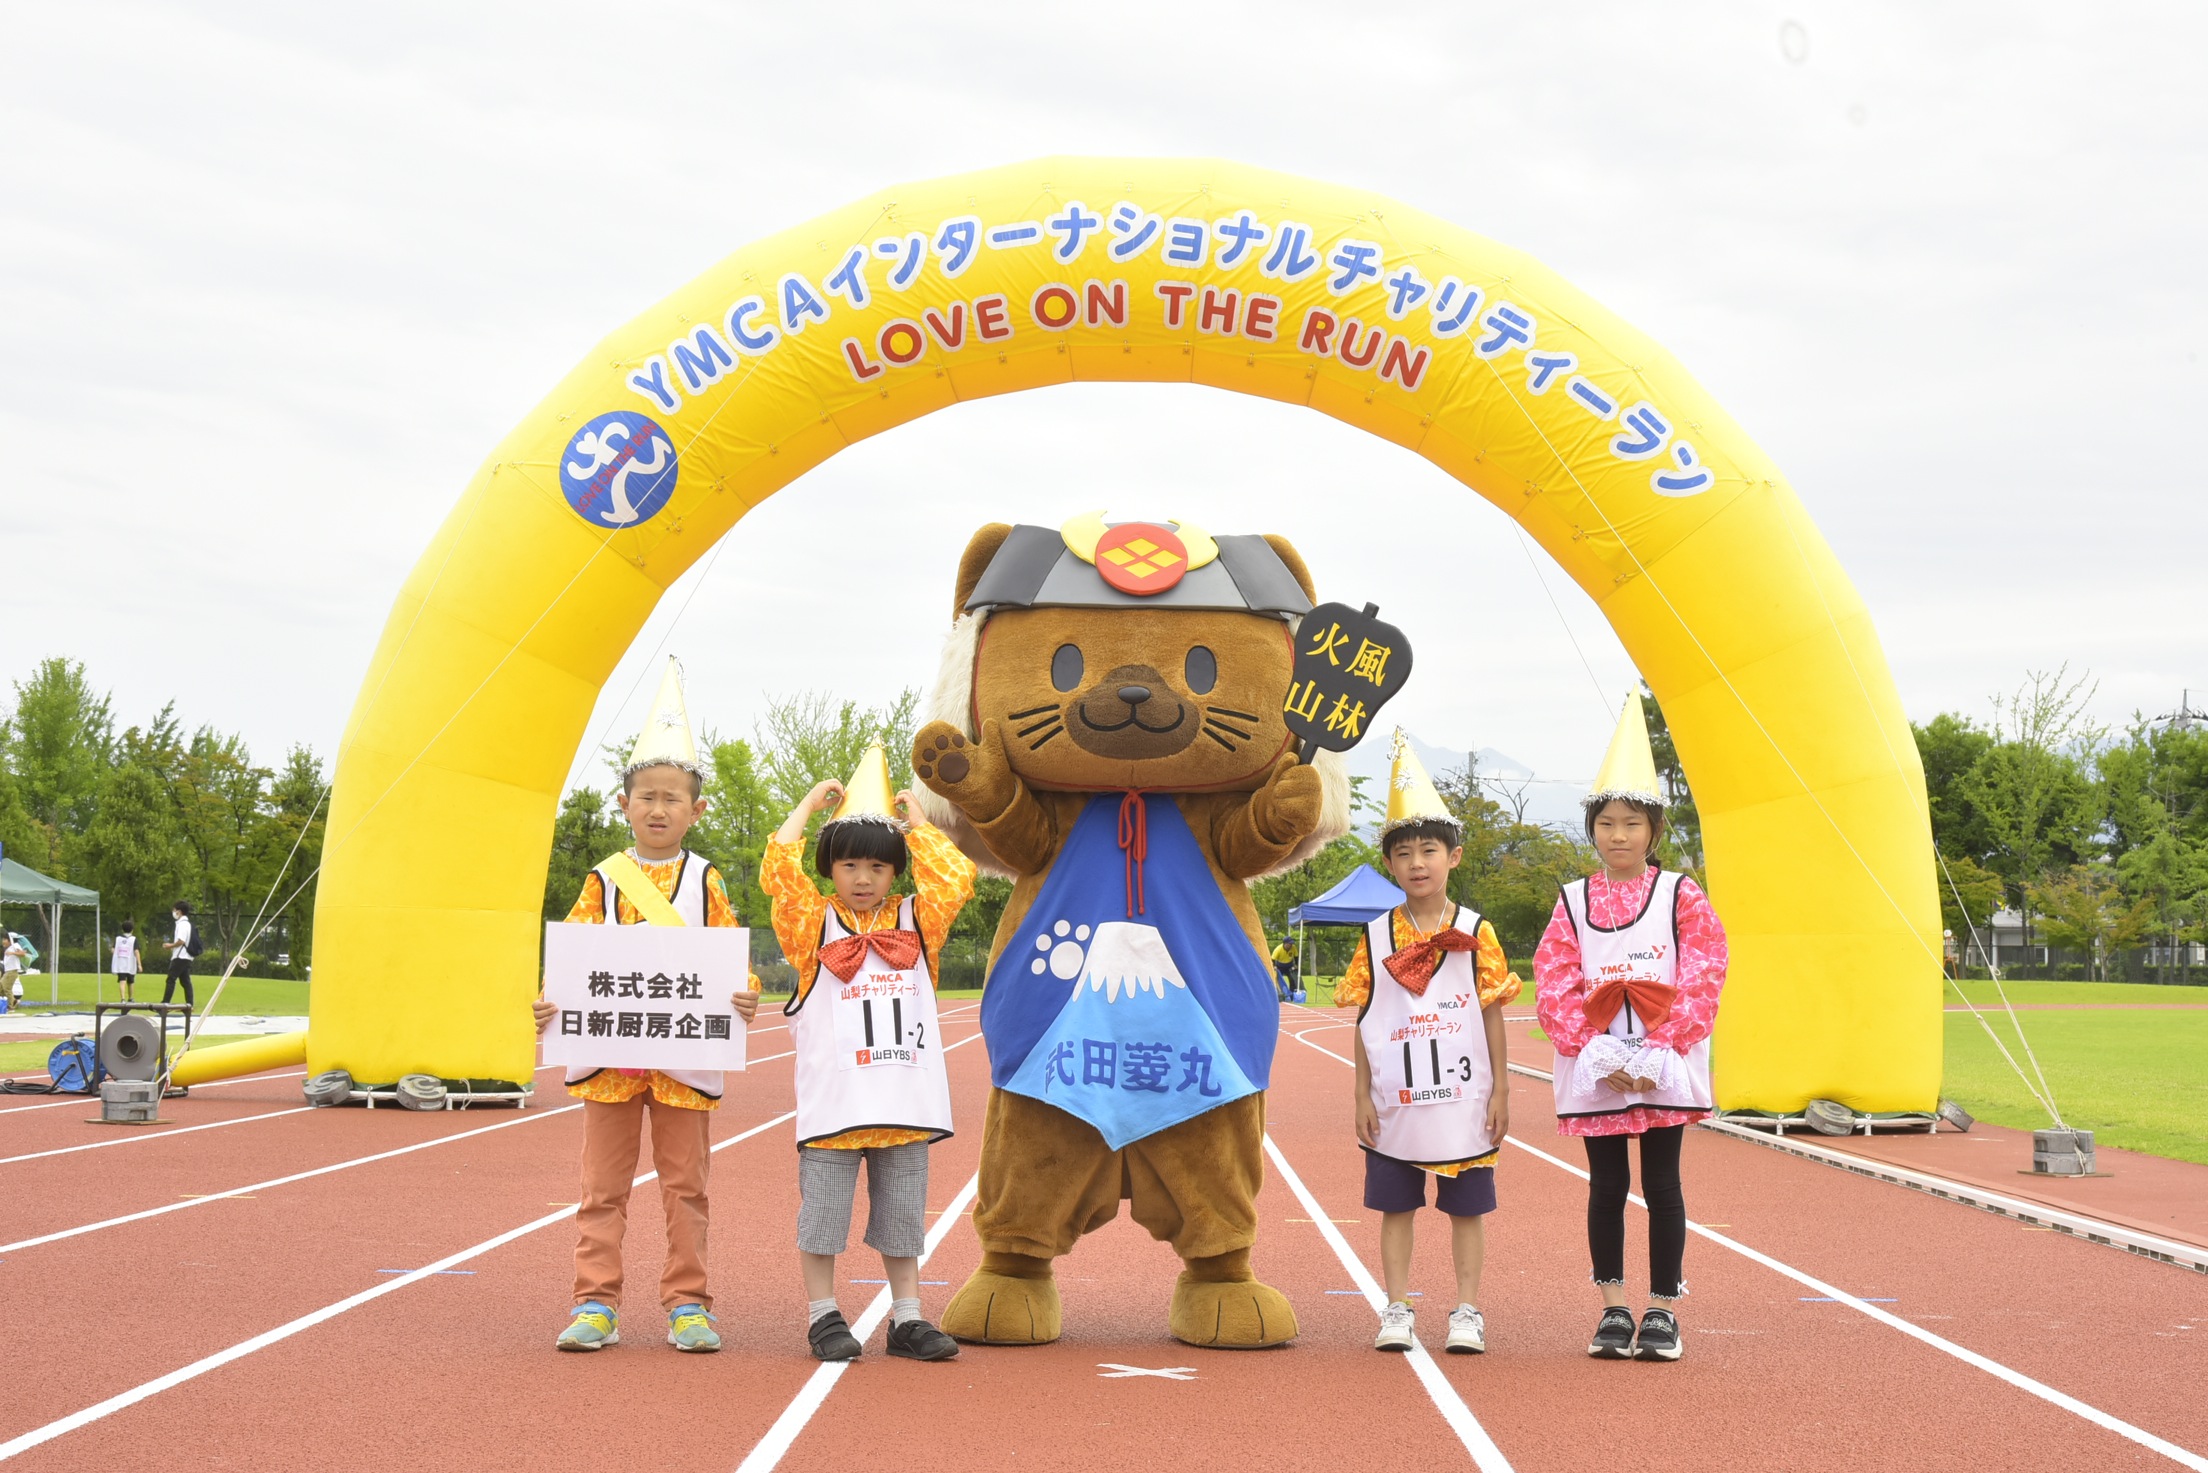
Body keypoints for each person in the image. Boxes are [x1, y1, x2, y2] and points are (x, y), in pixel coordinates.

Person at [530, 660, 761, 1355]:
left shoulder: (706, 879)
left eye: (672, 798)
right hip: (610, 1060)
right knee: (601, 1187)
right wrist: (549, 1002)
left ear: (696, 810)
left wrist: (744, 991)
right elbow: (572, 960)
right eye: (647, 797)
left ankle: (688, 1303)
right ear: (624, 804)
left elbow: (728, 952)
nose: (659, 809)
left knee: (686, 1187)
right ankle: (594, 1302)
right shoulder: (603, 879)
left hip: (683, 1060)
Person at [762, 742, 973, 1363]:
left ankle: (907, 1318)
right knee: (824, 1216)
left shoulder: (918, 921)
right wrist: (807, 808)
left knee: (903, 1217)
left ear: (894, 872)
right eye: (850, 864)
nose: (862, 878)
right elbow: (779, 875)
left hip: (904, 1107)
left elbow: (956, 879)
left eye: (877, 867)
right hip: (835, 1108)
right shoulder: (811, 926)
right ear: (831, 867)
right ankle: (823, 1315)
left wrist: (919, 827)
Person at [1535, 694, 1727, 1363]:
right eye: (1607, 823)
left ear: (1653, 829)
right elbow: (1554, 978)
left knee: (1664, 1184)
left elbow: (1705, 969)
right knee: (1606, 1185)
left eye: (1632, 823)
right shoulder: (1571, 901)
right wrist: (1594, 1051)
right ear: (1592, 829)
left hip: (1663, 1061)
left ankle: (1664, 1308)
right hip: (1598, 1066)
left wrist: (1657, 1049)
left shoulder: (1681, 894)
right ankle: (1613, 1306)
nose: (1618, 835)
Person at [1337, 734, 1516, 1355]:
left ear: (1453, 856)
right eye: (1404, 853)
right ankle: (1397, 1306)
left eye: (1429, 850)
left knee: (1468, 1207)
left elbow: (1492, 1012)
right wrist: (1360, 1093)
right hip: (1397, 1097)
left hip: (1465, 1096)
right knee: (1396, 1205)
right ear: (1390, 864)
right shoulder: (1373, 935)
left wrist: (1502, 1089)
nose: (1418, 863)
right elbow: (1364, 1018)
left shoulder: (1476, 931)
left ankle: (1467, 1309)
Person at [161, 902, 197, 1022]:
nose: (173, 912)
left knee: (171, 979)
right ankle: (189, 1006)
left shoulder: (182, 924)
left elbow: (181, 941)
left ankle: (165, 1004)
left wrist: (170, 946)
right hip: (186, 956)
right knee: (185, 981)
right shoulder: (187, 924)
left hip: (180, 956)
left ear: (179, 911)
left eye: (174, 910)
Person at [113, 921, 141, 1003]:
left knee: (122, 981)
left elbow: (113, 949)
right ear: (132, 929)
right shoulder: (134, 939)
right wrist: (139, 964)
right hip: (130, 964)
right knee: (131, 981)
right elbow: (136, 951)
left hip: (121, 964)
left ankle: (123, 998)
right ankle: (131, 998)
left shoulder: (118, 939)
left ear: (122, 929)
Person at [1270, 936, 1300, 1002]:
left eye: (1291, 943)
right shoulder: (1278, 949)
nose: (1291, 945)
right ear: (1285, 943)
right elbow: (1272, 959)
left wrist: (1296, 965)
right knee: (1278, 980)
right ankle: (1280, 994)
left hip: (1289, 965)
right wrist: (1274, 966)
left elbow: (1296, 957)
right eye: (1289, 944)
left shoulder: (1293, 948)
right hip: (1280, 966)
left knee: (1292, 980)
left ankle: (1292, 995)